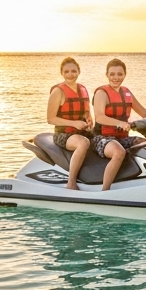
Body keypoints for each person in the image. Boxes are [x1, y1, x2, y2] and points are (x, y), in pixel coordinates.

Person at [92, 58, 146, 192]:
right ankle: (105, 190)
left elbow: (144, 112)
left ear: (125, 75)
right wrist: (119, 123)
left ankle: (145, 181)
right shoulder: (102, 93)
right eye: (112, 74)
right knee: (118, 152)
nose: (116, 77)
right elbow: (99, 117)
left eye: (119, 74)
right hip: (102, 138)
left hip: (122, 137)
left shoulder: (126, 92)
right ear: (107, 75)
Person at [47, 56, 95, 190]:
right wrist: (74, 123)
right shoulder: (58, 91)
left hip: (82, 131)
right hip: (63, 134)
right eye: (66, 71)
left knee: (105, 139)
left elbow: (86, 111)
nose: (70, 74)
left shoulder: (83, 89)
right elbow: (50, 119)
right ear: (61, 73)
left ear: (79, 72)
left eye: (73, 71)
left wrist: (89, 118)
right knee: (83, 143)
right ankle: (71, 182)